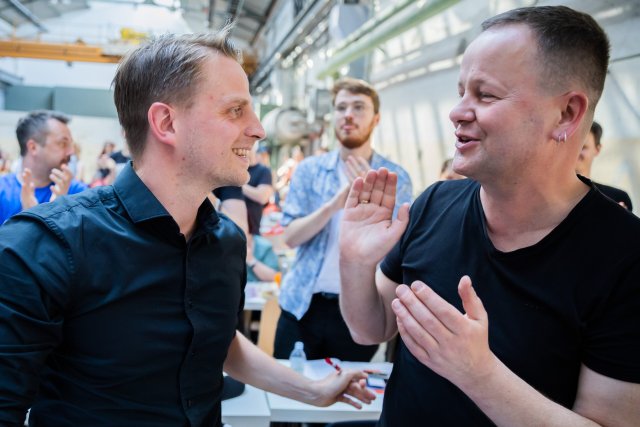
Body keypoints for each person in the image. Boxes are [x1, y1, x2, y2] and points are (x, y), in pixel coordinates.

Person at [0, 29, 375, 426]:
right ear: (167, 122)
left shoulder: (225, 242)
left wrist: (312, 391)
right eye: (235, 110)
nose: (259, 129)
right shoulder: (47, 246)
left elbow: (219, 341)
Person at [339, 6, 640, 426]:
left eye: (486, 95)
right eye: (461, 91)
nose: (458, 111)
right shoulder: (435, 204)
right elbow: (369, 330)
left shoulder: (624, 255)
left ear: (566, 114)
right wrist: (353, 261)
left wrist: (478, 374)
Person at [274, 77, 413, 362]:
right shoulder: (309, 171)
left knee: (348, 401)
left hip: (360, 310)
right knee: (288, 397)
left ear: (376, 119)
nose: (348, 114)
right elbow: (289, 237)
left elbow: (396, 251)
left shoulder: (394, 178)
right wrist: (335, 203)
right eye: (341, 108)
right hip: (302, 305)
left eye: (358, 107)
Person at [0, 110, 88, 224]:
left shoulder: (79, 194)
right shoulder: (2, 190)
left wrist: (58, 211)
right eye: (63, 143)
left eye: (71, 144)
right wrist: (29, 217)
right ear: (33, 148)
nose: (71, 151)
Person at [576, 121, 633, 210]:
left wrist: (620, 220)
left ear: (597, 149)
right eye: (573, 146)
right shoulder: (548, 196)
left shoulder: (617, 198)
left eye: (583, 147)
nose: (576, 152)